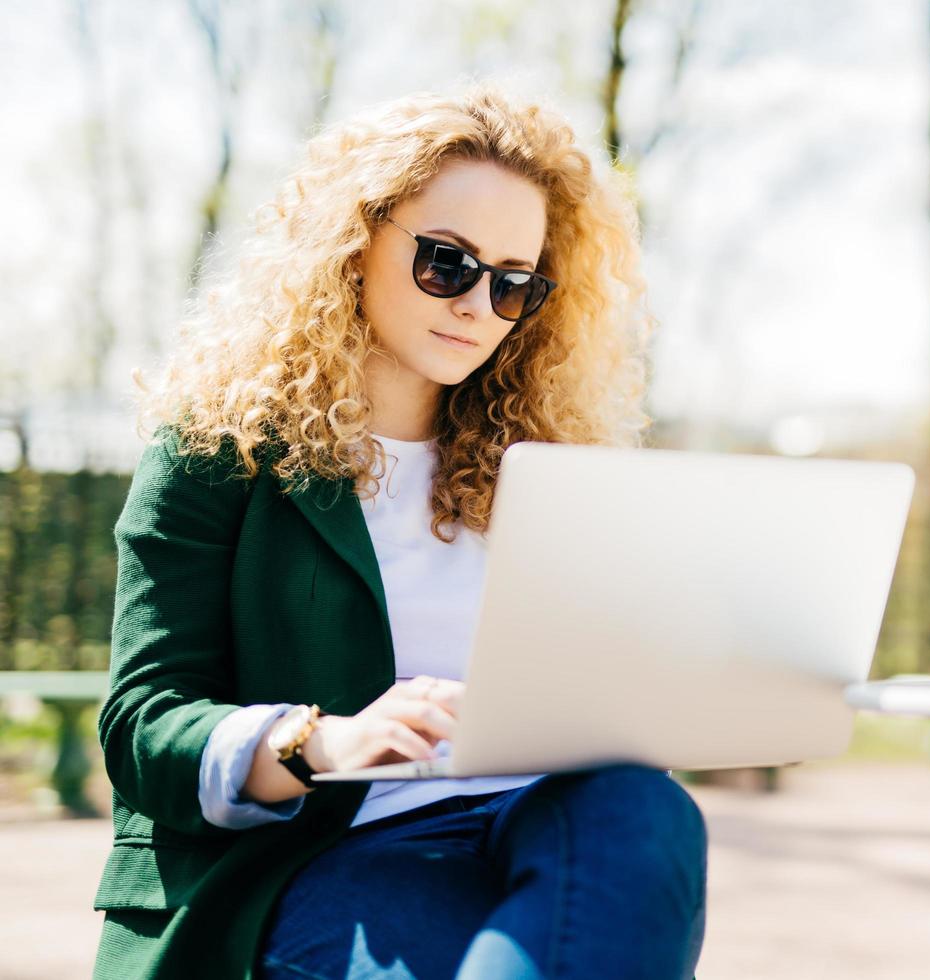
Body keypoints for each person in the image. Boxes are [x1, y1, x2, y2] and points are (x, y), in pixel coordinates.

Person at [91, 78, 708, 980]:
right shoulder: (216, 453)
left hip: (547, 816)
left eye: (514, 286)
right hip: (331, 849)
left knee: (648, 811)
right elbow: (144, 726)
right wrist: (321, 742)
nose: (474, 306)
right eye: (447, 263)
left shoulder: (549, 467)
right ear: (355, 241)